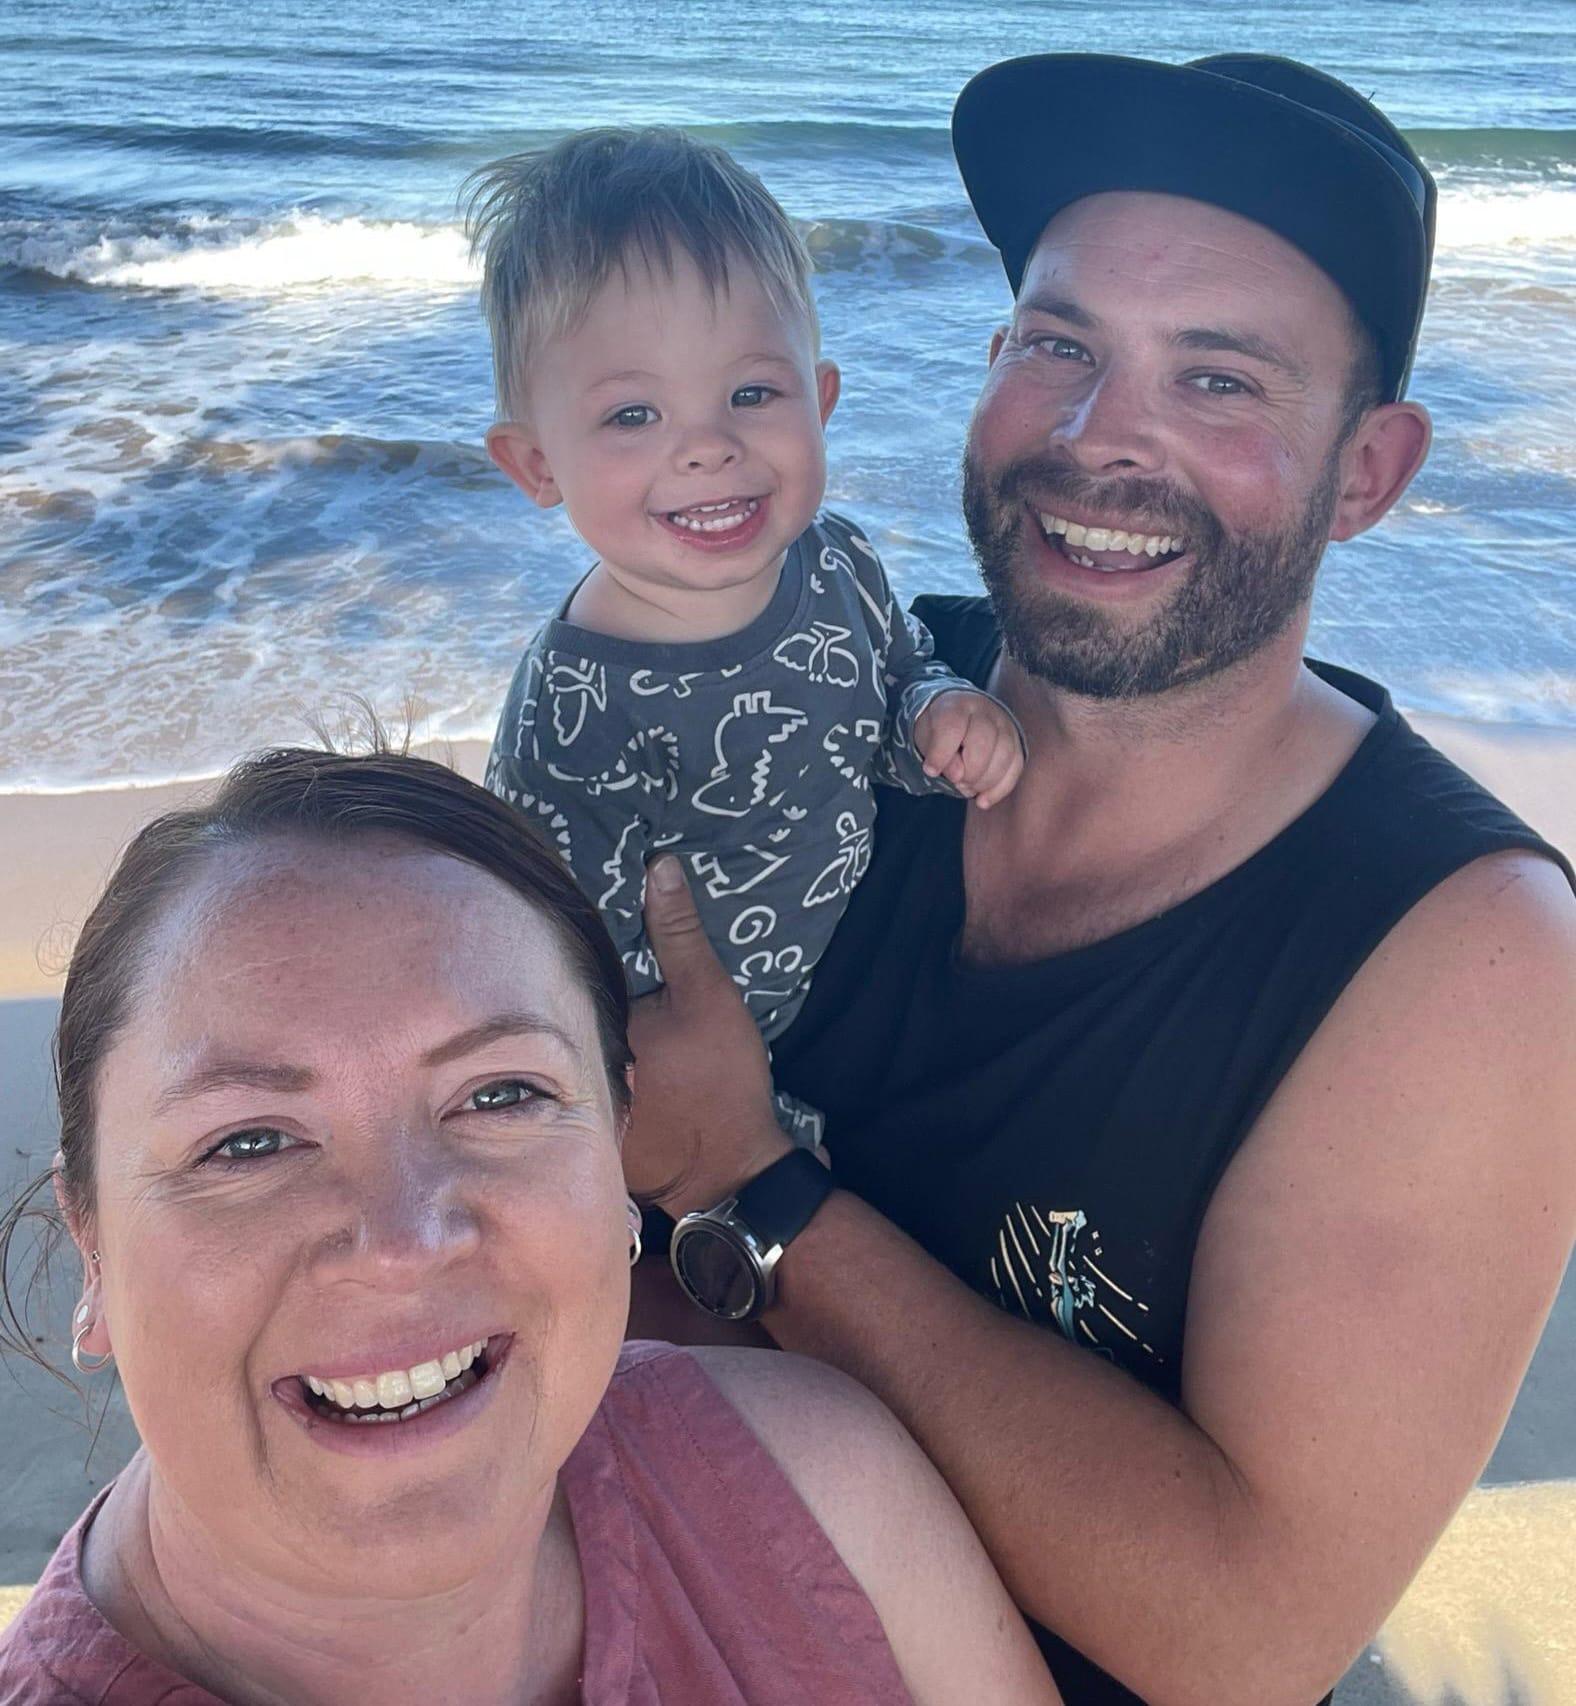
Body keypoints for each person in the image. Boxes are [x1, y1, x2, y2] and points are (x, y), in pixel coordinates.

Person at [618, 53, 1576, 1706]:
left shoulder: (1468, 959)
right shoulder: (839, 690)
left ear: (1370, 470)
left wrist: (754, 1190)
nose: (1093, 437)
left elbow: (1240, 1632)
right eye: (1059, 344)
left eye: (1218, 381)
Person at [0, 747, 1060, 1705]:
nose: (403, 1239)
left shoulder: (817, 1487)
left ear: (617, 1161)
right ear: (90, 1245)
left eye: (499, 1093)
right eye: (247, 1143)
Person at [470, 127, 1023, 1147]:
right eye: (633, 413)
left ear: (819, 401)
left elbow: (892, 679)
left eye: (752, 394)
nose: (708, 446)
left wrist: (939, 713)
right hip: (674, 1091)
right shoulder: (577, 707)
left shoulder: (835, 559)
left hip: (839, 1003)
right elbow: (554, 961)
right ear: (535, 463)